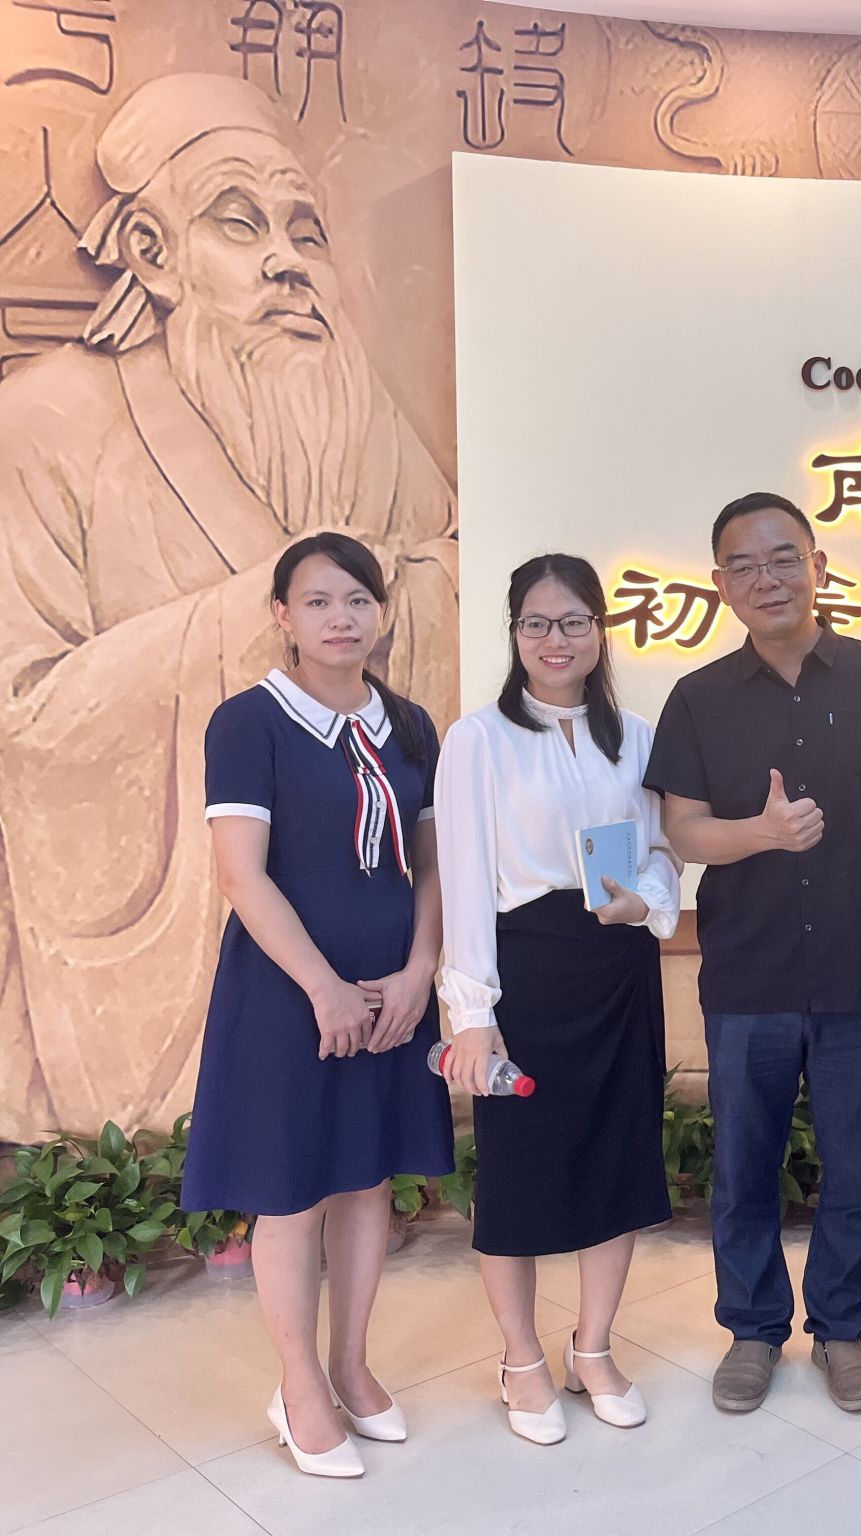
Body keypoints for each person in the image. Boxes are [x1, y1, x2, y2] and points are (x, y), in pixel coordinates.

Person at [0, 73, 456, 1144]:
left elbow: (442, 571)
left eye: (306, 229)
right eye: (240, 223)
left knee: (361, 1161)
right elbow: (24, 712)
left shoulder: (366, 425)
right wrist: (251, 619)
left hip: (372, 911)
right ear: (153, 252)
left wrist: (419, 587)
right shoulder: (44, 420)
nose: (287, 261)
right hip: (227, 910)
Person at [644, 492, 861, 1416]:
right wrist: (760, 834)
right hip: (749, 971)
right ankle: (753, 1329)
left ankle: (842, 1329)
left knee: (856, 1164)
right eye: (744, 565)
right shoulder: (699, 699)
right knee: (743, 1166)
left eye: (782, 558)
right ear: (720, 584)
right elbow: (683, 829)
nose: (766, 578)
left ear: (818, 565)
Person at [183, 531, 452, 1479]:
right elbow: (241, 876)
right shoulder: (247, 723)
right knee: (294, 1191)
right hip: (287, 993)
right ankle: (299, 1385)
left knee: (366, 1179)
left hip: (390, 994)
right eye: (319, 601)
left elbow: (432, 867)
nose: (342, 619)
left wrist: (420, 971)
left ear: (381, 613)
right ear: (282, 615)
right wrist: (323, 988)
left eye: (358, 600)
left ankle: (350, 1363)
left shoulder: (409, 724)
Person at [435, 554, 681, 1445]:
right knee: (520, 1172)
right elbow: (464, 880)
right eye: (536, 622)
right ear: (514, 633)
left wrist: (644, 902)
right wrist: (473, 1014)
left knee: (618, 1162)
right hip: (526, 974)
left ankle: (593, 1348)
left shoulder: (637, 736)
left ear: (600, 631)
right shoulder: (479, 739)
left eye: (574, 621)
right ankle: (520, 1359)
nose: (556, 639)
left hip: (618, 968)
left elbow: (662, 850)